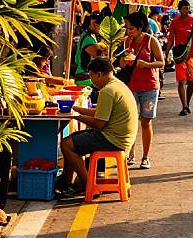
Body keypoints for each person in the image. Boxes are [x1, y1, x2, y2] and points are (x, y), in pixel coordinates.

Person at [58, 57, 138, 197]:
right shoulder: (118, 85)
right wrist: (76, 109)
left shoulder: (107, 91)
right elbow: (99, 112)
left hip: (113, 139)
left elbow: (98, 123)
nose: (91, 80)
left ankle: (87, 183)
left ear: (99, 74)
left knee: (67, 144)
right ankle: (66, 182)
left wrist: (75, 117)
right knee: (72, 139)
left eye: (91, 76)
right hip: (121, 137)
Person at [119, 12, 164, 169]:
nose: (128, 31)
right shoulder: (126, 42)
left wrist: (147, 65)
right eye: (127, 28)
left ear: (139, 27)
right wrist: (123, 62)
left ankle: (145, 157)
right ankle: (130, 154)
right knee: (130, 121)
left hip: (149, 87)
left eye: (131, 28)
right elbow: (122, 63)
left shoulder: (151, 41)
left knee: (146, 121)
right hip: (131, 85)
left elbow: (162, 62)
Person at [166, 0, 193, 116]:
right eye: (184, 9)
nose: (186, 11)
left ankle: (188, 102)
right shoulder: (175, 22)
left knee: (191, 82)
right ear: (179, 9)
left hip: (191, 56)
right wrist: (166, 52)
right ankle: (184, 105)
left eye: (187, 8)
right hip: (179, 56)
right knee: (181, 81)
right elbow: (171, 38)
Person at [74, 12, 103, 87]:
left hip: (85, 76)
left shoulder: (88, 35)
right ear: (93, 23)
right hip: (85, 79)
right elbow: (100, 56)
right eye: (100, 24)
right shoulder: (88, 39)